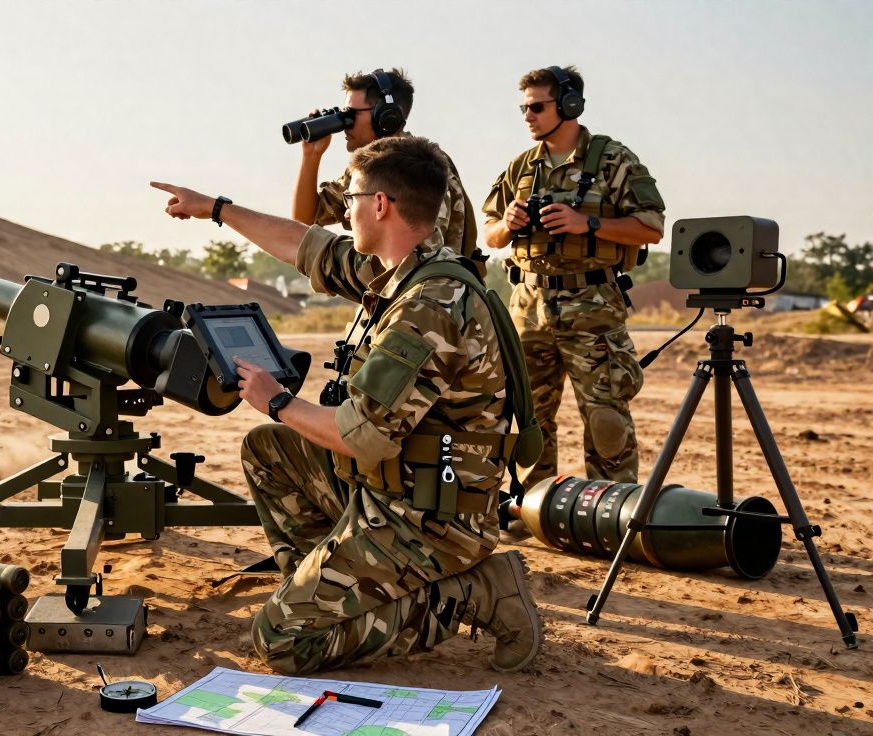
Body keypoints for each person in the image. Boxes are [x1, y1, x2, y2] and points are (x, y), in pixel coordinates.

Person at [152, 135, 541, 676]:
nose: (345, 209)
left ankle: (475, 592)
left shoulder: (430, 305)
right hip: (392, 481)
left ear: (380, 205)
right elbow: (304, 244)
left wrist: (279, 400)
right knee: (271, 451)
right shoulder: (402, 270)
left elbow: (362, 436)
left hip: (433, 514)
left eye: (352, 196)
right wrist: (214, 209)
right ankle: (332, 584)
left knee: (283, 643)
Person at [482, 65, 665, 490]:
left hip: (592, 307)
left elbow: (651, 225)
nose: (527, 116)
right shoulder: (522, 167)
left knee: (605, 416)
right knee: (529, 419)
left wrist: (589, 224)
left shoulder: (613, 160)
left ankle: (612, 508)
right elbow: (490, 234)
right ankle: (534, 505)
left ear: (569, 105)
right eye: (523, 108)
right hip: (528, 309)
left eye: (536, 106)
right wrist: (508, 223)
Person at [292, 68, 484, 272]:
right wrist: (311, 156)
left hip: (429, 295)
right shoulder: (369, 167)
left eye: (351, 115)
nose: (345, 126)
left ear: (386, 117)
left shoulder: (420, 165)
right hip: (392, 292)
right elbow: (304, 224)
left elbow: (423, 253)